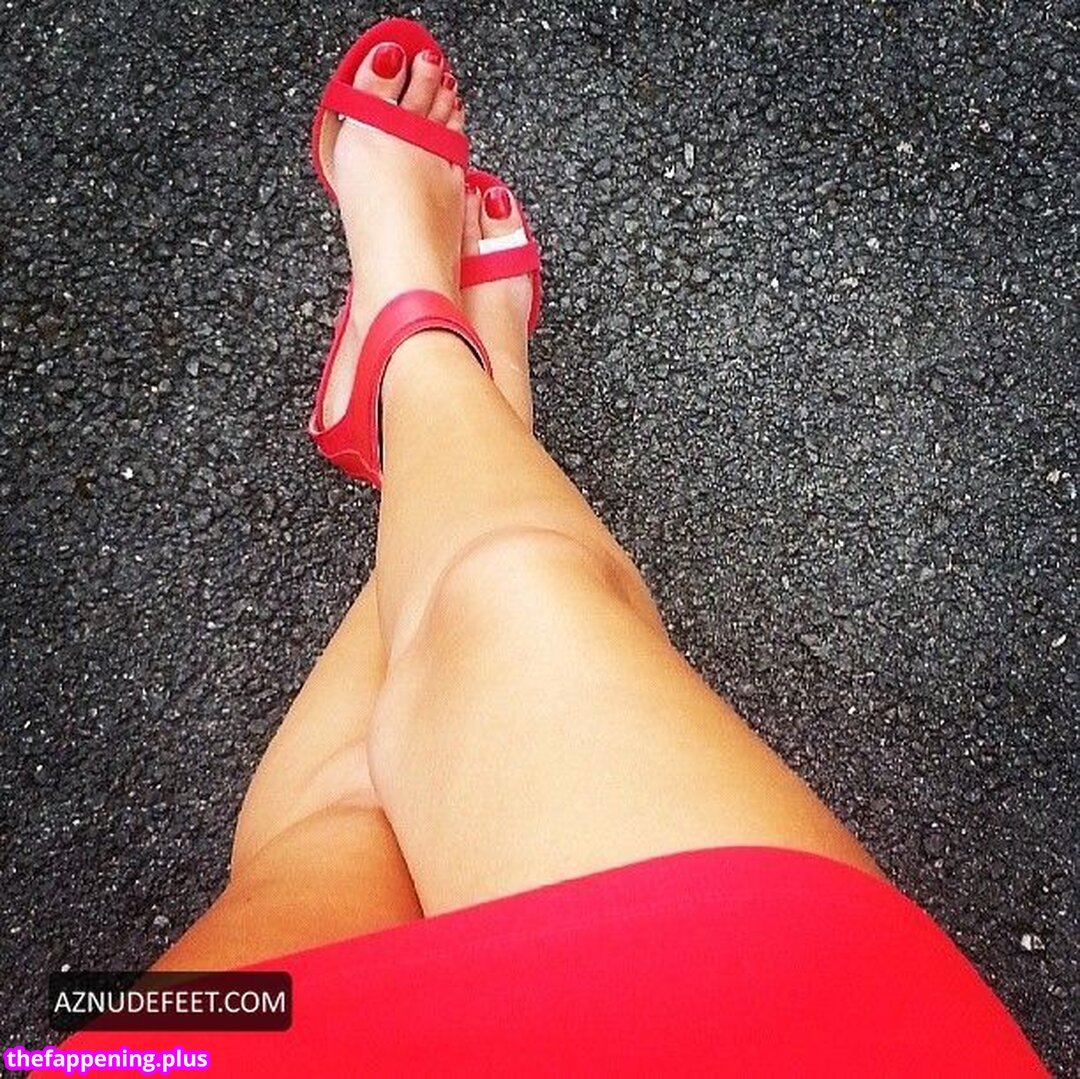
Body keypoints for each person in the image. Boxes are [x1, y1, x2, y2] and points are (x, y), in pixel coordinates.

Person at [46, 19, 1044, 1075]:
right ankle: (458, 398)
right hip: (776, 1025)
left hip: (202, 1047)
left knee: (339, 825)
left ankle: (423, 354)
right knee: (510, 598)